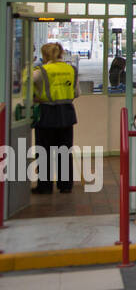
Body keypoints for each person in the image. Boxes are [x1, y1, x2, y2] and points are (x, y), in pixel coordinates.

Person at [31, 42, 79, 193]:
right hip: (67, 113)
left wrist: (37, 98)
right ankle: (65, 185)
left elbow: (26, 90)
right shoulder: (71, 69)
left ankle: (44, 187)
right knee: (64, 151)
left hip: (46, 114)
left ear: (44, 55)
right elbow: (77, 93)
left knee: (44, 151)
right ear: (60, 53)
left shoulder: (40, 71)